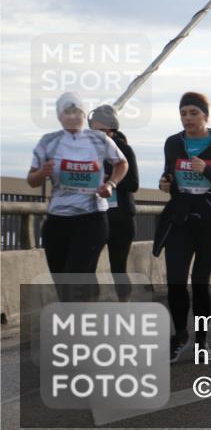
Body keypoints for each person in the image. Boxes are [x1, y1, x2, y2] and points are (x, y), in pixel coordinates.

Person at [153, 92, 211, 362]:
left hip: (210, 222)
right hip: (180, 220)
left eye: (193, 113)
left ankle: (202, 339)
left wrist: (206, 170)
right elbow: (169, 174)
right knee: (176, 282)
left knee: (200, 283)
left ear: (205, 115)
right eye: (183, 113)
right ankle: (180, 335)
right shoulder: (173, 143)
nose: (188, 119)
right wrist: (165, 182)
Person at [28, 93, 128, 301]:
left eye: (78, 112)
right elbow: (32, 180)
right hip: (57, 221)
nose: (73, 117)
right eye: (67, 112)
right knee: (63, 284)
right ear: (59, 116)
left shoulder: (99, 139)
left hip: (91, 219)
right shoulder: (48, 142)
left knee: (74, 278)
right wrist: (41, 173)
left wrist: (111, 183)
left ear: (84, 115)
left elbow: (122, 163)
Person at [88, 104, 139, 301]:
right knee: (87, 267)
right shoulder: (86, 150)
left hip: (121, 218)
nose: (98, 134)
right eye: (94, 129)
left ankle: (123, 305)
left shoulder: (124, 149)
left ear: (112, 129)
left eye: (102, 130)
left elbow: (133, 184)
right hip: (94, 217)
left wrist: (111, 179)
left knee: (118, 268)